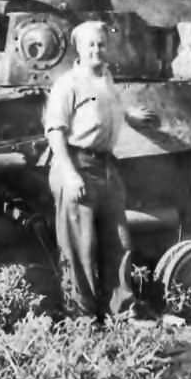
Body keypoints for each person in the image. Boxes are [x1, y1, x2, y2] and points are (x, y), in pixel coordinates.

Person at [43, 21, 160, 322]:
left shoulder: (105, 77)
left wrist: (129, 116)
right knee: (79, 247)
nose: (97, 50)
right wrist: (70, 175)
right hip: (77, 164)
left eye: (101, 44)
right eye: (90, 45)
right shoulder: (68, 84)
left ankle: (121, 311)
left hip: (106, 166)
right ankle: (82, 317)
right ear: (79, 49)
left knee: (119, 241)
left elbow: (107, 108)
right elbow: (55, 131)